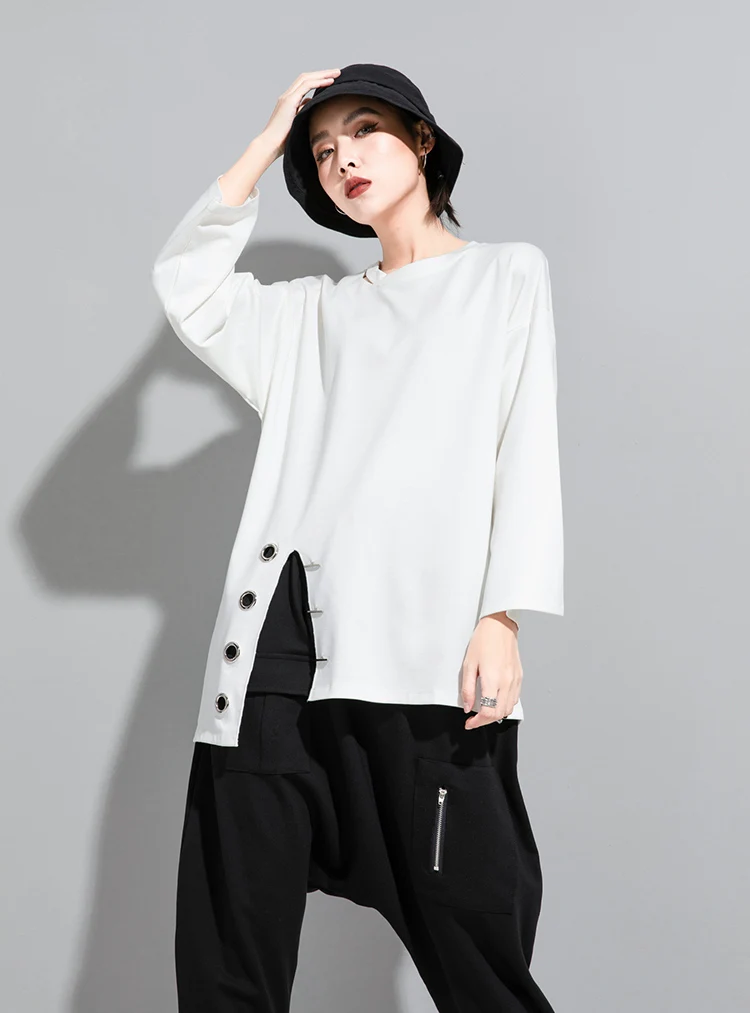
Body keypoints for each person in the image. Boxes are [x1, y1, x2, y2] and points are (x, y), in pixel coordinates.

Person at [152, 63, 564, 1013]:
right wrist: (269, 139)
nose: (344, 158)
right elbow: (187, 285)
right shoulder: (309, 315)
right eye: (323, 149)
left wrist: (501, 616)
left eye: (367, 129)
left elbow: (526, 449)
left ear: (422, 140)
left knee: (478, 951)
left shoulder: (505, 275)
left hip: (421, 657)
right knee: (227, 966)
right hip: (273, 655)